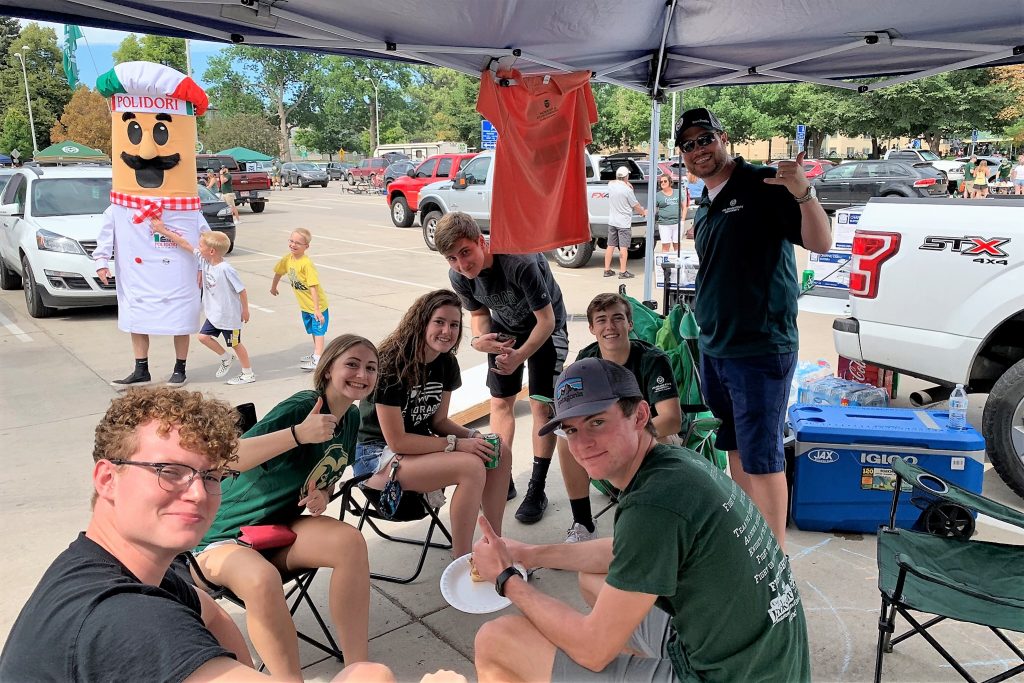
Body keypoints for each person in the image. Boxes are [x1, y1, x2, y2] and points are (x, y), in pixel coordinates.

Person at [0, 386, 393, 683]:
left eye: (211, 476)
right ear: (107, 479)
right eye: (168, 471)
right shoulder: (126, 620)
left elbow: (214, 615)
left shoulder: (114, 566)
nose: (198, 492)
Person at [471, 358, 810, 683]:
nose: (583, 443)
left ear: (640, 415)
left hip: (723, 674)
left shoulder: (653, 504)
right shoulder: (673, 463)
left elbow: (593, 650)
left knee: (496, 640)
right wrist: (529, 554)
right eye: (571, 430)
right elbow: (625, 551)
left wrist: (507, 578)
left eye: (597, 422)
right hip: (764, 660)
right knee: (592, 581)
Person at [677, 107, 831, 547]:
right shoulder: (706, 200)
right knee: (735, 447)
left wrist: (804, 192)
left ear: (722, 138)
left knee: (764, 458)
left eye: (704, 139)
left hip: (761, 347)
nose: (698, 150)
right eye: (688, 145)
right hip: (716, 347)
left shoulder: (764, 182)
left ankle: (774, 561)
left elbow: (820, 242)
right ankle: (749, 547)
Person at [194, 334, 379, 678]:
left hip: (275, 532)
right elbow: (224, 458)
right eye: (351, 364)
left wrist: (323, 493)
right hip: (222, 535)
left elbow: (328, 473)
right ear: (327, 370)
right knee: (261, 578)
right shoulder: (303, 407)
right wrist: (297, 434)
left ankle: (358, 670)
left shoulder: (351, 419)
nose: (362, 374)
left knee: (350, 543)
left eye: (370, 368)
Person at [354, 289, 511, 558]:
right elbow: (397, 441)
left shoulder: (446, 363)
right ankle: (461, 559)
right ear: (422, 322)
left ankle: (492, 544)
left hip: (419, 450)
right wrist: (457, 445)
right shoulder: (391, 366)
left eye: (454, 324)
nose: (447, 331)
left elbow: (438, 421)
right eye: (439, 322)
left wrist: (474, 436)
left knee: (498, 449)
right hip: (377, 459)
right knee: (470, 467)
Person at [435, 212, 569, 524]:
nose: (462, 264)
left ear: (481, 241)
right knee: (500, 402)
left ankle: (537, 487)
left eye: (466, 253)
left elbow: (546, 321)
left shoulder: (518, 263)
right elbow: (480, 314)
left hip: (546, 328)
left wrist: (520, 355)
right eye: (452, 258)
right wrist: (483, 340)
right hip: (507, 328)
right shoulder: (459, 276)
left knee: (541, 407)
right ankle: (502, 472)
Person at [556, 293, 681, 543]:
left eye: (617, 318)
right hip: (605, 432)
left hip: (651, 434)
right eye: (601, 320)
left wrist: (624, 435)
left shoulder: (652, 359)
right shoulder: (586, 359)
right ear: (591, 328)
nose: (610, 327)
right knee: (564, 439)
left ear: (630, 323)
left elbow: (672, 419)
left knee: (665, 441)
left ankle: (660, 521)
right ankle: (583, 523)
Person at [150, 221, 255, 384]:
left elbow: (242, 290)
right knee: (203, 337)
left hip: (230, 316)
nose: (198, 248)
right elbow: (183, 243)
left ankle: (247, 373)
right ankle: (226, 358)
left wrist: (245, 310)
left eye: (201, 245)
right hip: (215, 314)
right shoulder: (205, 261)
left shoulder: (226, 269)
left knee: (235, 343)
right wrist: (163, 231)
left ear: (211, 251)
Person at [271, 228, 329, 371]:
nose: (293, 245)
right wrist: (274, 287)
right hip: (305, 306)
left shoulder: (306, 264)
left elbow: (313, 287)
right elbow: (279, 272)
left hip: (318, 305)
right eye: (291, 241)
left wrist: (317, 309)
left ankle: (318, 358)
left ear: (306, 247)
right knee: (313, 331)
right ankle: (317, 352)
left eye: (298, 243)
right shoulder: (287, 259)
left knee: (319, 331)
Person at [604, 166, 647, 279]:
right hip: (623, 223)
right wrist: (643, 212)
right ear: (626, 177)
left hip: (612, 221)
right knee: (623, 248)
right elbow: (635, 205)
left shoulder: (611, 185)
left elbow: (611, 181)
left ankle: (607, 270)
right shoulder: (627, 190)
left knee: (610, 245)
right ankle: (623, 272)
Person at [654, 174, 683, 253]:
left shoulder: (678, 192)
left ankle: (677, 264)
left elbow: (684, 206)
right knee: (665, 246)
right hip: (664, 224)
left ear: (670, 182)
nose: (663, 183)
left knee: (677, 246)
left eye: (665, 181)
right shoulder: (658, 195)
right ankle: (665, 264)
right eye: (661, 182)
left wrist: (683, 220)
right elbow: (654, 209)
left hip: (677, 223)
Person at [683, 169, 705, 240]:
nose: (686, 173)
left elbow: (686, 193)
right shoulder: (701, 180)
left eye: (687, 172)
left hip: (691, 200)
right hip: (700, 200)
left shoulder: (686, 182)